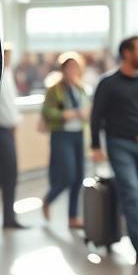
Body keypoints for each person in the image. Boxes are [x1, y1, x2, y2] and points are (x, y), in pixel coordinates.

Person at [91, 35, 138, 264]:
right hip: (119, 144)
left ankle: (116, 229)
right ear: (127, 53)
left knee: (135, 198)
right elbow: (96, 115)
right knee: (130, 192)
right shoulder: (108, 83)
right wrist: (95, 145)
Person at [41, 52, 90, 230]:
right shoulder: (55, 89)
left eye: (75, 67)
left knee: (79, 177)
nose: (72, 70)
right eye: (69, 67)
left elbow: (86, 110)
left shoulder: (81, 88)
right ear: (62, 69)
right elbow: (47, 112)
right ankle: (49, 199)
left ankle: (73, 217)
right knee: (68, 175)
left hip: (78, 134)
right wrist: (69, 114)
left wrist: (85, 114)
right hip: (61, 135)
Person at [0, 43, 24, 229]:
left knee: (6, 174)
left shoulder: (8, 73)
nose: (9, 58)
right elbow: (0, 106)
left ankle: (8, 218)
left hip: (7, 129)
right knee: (3, 173)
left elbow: (10, 103)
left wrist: (15, 122)